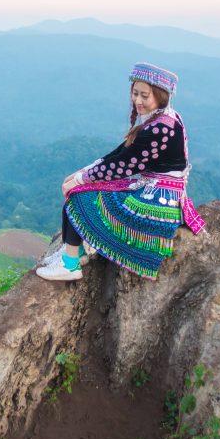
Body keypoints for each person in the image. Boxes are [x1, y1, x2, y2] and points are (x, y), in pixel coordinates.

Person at [36, 62, 206, 282]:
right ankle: (76, 252)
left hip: (157, 198)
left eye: (145, 96)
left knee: (80, 196)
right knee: (83, 187)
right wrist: (83, 172)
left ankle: (70, 265)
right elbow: (122, 152)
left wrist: (80, 179)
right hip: (153, 187)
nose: (137, 101)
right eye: (135, 93)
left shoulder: (160, 128)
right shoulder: (165, 118)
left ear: (161, 96)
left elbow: (123, 165)